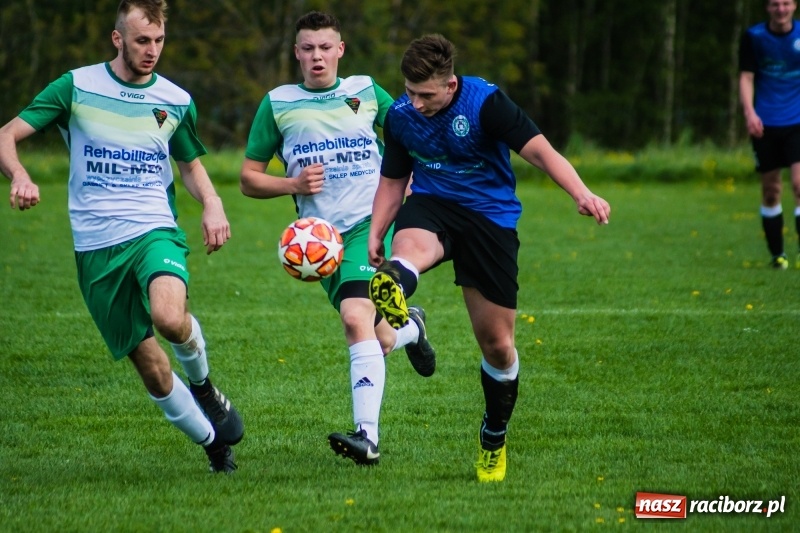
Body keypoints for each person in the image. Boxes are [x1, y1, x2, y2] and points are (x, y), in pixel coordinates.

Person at [0, 0, 243, 473]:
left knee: (170, 318)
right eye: (141, 41)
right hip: (95, 246)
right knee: (151, 366)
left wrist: (212, 204)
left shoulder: (175, 99)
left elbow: (189, 164)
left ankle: (205, 386)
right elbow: (6, 134)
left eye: (158, 41)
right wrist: (19, 175)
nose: (152, 51)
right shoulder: (76, 86)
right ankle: (214, 443)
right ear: (118, 39)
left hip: (154, 228)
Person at [367, 34, 611, 482]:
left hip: (489, 219)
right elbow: (393, 177)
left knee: (498, 347)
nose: (415, 103)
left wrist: (581, 193)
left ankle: (493, 436)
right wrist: (378, 230)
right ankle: (395, 283)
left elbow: (540, 150)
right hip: (433, 203)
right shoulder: (401, 118)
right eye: (409, 92)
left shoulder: (486, 103)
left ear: (451, 85)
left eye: (425, 94)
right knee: (409, 253)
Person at [240, 11, 435, 466]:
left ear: (340, 50)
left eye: (325, 47)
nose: (317, 57)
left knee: (354, 319)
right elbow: (248, 179)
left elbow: (415, 134)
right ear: (296, 53)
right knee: (379, 339)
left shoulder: (364, 91)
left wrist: (412, 180)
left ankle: (367, 438)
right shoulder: (278, 103)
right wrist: (292, 185)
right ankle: (411, 327)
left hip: (371, 226)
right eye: (307, 48)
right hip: (321, 242)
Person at [739, 0, 800, 269]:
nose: (781, 9)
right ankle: (778, 256)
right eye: (775, 4)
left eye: (786, 3)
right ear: (767, 8)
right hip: (765, 123)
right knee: (772, 190)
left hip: (797, 121)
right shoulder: (754, 37)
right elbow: (746, 77)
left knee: (799, 185)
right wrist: (750, 113)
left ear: (795, 6)